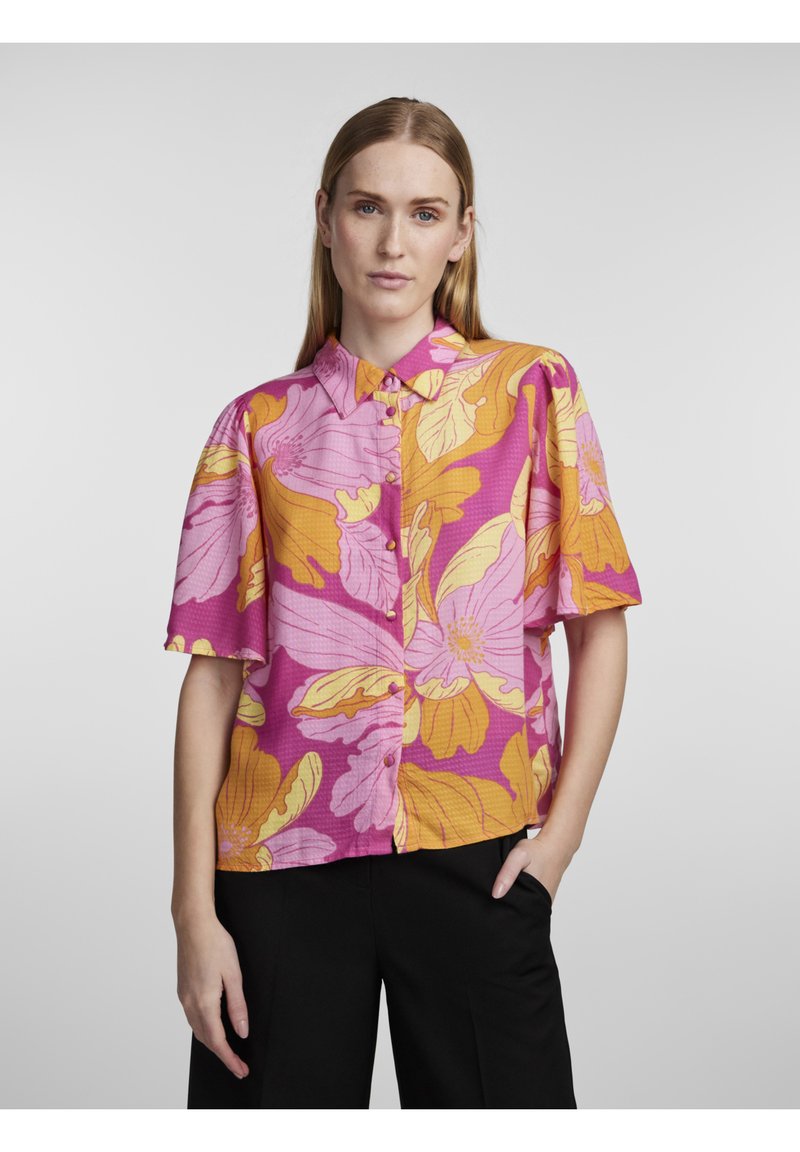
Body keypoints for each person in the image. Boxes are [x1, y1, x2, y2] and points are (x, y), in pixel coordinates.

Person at [163, 95, 643, 1110]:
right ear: (325, 218)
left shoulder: (532, 392)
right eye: (367, 207)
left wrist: (556, 847)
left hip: (479, 854)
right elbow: (213, 680)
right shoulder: (254, 429)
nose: (393, 243)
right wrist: (193, 913)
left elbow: (599, 631)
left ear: (461, 234)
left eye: (425, 213)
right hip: (277, 865)